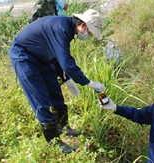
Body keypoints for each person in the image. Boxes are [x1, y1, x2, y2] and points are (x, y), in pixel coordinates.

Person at [9, 9, 105, 154]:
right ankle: (54, 141)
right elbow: (66, 62)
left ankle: (63, 126)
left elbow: (56, 58)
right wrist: (88, 82)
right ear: (83, 25)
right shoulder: (61, 28)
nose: (89, 36)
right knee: (40, 97)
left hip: (41, 56)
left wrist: (66, 79)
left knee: (54, 89)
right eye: (90, 32)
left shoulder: (66, 28)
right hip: (23, 55)